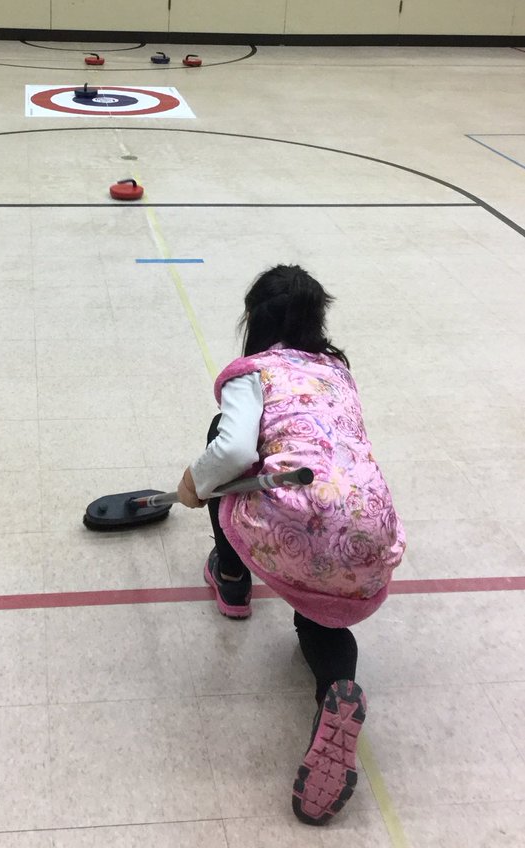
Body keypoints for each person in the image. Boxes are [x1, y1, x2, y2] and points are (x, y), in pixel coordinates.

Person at [177, 264, 405, 827]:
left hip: (300, 519)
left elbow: (232, 453)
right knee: (320, 618)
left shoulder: (251, 372)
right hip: (369, 532)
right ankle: (338, 687)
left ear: (254, 320)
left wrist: (193, 482)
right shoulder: (337, 372)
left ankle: (231, 580)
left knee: (221, 448)